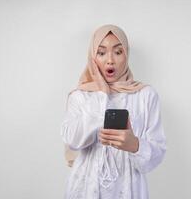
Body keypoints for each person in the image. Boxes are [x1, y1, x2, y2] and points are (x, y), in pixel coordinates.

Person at [60, 24, 166, 199]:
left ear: (127, 54)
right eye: (101, 53)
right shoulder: (80, 96)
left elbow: (157, 152)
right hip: (85, 188)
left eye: (118, 52)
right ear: (93, 57)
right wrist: (101, 95)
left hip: (129, 188)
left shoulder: (145, 95)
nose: (110, 60)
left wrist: (135, 145)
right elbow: (72, 141)